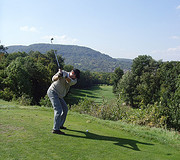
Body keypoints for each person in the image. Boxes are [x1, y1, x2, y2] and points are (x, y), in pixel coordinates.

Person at [47, 68, 80, 135]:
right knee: (58, 110)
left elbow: (69, 81)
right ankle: (55, 129)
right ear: (72, 72)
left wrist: (64, 76)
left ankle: (60, 125)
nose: (75, 78)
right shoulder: (63, 72)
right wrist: (59, 76)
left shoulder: (74, 80)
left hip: (60, 95)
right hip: (53, 92)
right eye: (75, 76)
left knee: (65, 109)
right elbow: (53, 79)